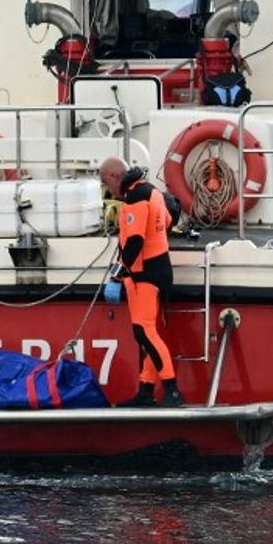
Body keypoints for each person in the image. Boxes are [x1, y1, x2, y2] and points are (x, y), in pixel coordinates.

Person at [99, 157, 183, 408]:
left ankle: (172, 390)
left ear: (114, 176)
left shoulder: (135, 198)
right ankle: (146, 390)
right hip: (158, 270)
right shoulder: (152, 191)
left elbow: (134, 242)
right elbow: (167, 222)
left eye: (105, 183)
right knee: (148, 333)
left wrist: (120, 271)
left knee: (143, 331)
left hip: (145, 274)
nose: (107, 190)